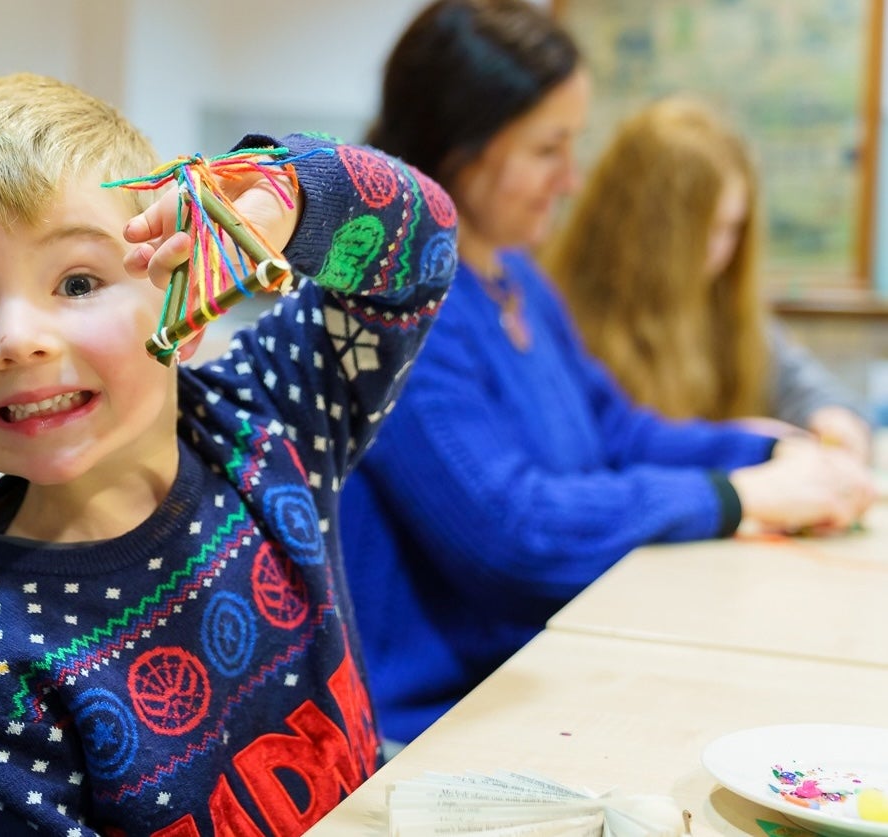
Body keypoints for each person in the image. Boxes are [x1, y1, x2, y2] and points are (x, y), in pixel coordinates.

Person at [0, 72, 457, 834]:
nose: (16, 338)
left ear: (187, 300)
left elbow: (426, 242)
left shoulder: (265, 419)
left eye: (78, 281)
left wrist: (287, 195)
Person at [338, 0, 875, 749]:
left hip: (529, 680)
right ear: (461, 143)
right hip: (432, 728)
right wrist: (734, 495)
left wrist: (770, 454)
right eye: (548, 149)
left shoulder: (513, 274)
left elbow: (617, 430)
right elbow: (511, 532)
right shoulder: (389, 298)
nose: (571, 177)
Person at [544, 94, 874, 462]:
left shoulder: (724, 303)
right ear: (642, 228)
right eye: (703, 232)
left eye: (732, 229)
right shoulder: (557, 317)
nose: (718, 251)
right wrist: (733, 445)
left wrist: (835, 421)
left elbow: (810, 390)